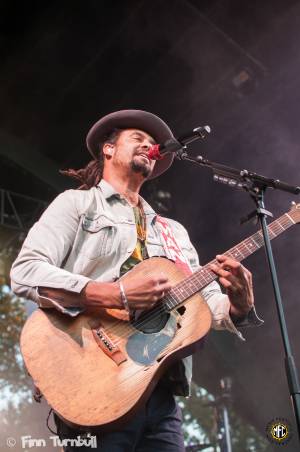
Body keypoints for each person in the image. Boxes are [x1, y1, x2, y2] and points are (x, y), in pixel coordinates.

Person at [10, 110, 262, 451]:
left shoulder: (175, 232)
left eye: (152, 143)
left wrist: (238, 307)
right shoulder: (77, 205)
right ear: (108, 149)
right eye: (137, 138)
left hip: (159, 392)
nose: (149, 144)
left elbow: (205, 305)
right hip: (93, 381)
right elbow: (25, 271)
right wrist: (115, 294)